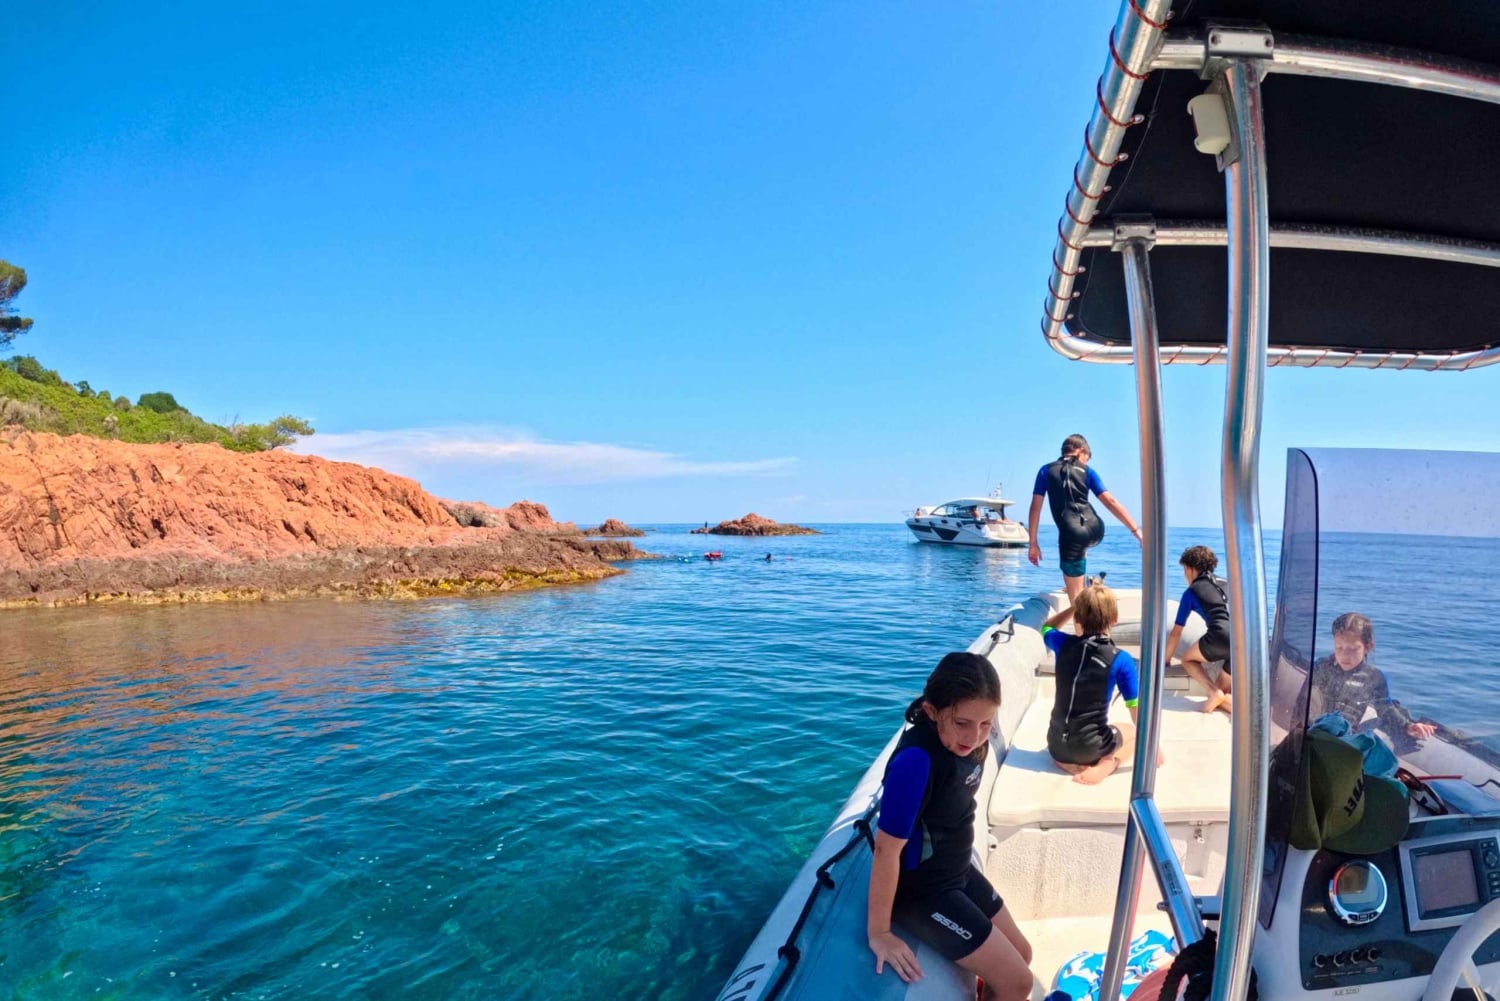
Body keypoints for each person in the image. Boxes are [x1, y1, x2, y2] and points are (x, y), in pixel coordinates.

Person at [868, 652, 1033, 1000]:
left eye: (986, 724)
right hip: (923, 892)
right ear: (931, 711)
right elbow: (886, 849)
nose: (974, 736)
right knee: (1019, 983)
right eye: (962, 723)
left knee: (1024, 954)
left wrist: (975, 730)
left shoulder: (974, 743)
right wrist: (879, 932)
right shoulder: (917, 761)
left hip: (956, 872)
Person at [1042, 585, 1160, 785]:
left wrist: (1076, 607)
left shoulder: (1062, 643)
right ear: (1115, 619)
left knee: (1075, 738)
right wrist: (1154, 749)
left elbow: (1047, 627)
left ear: (1077, 619)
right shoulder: (1121, 660)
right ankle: (1109, 764)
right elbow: (1135, 711)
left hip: (1055, 745)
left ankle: (1068, 762)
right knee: (1131, 732)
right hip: (1090, 747)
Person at [1028, 435, 1143, 602]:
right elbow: (1110, 502)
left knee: (1075, 602)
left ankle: (1075, 590)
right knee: (1081, 541)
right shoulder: (1088, 472)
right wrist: (1136, 531)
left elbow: (1035, 509)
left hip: (1072, 535)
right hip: (1096, 529)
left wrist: (1033, 543)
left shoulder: (1045, 471)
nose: (1085, 463)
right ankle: (1078, 579)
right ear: (1081, 451)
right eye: (1086, 459)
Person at [1309, 613, 1436, 740]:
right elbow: (1303, 702)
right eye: (1339, 647)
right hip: (1313, 732)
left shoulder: (1373, 677)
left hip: (1343, 740)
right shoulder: (1322, 667)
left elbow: (1385, 709)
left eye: (1353, 649)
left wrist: (1407, 726)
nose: (1344, 655)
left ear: (1368, 647)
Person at [1165, 546, 1233, 715]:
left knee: (1188, 660)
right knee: (1222, 695)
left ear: (1190, 569)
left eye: (1184, 570)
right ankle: (1247, 714)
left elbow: (1176, 632)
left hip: (1219, 636)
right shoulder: (1226, 583)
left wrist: (1166, 660)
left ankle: (1212, 691)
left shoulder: (1191, 592)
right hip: (1243, 641)